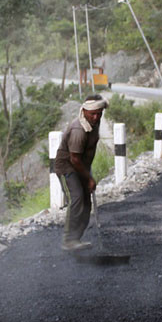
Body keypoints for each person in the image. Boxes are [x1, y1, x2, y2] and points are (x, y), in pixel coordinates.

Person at [53, 95, 108, 251]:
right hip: (67, 167)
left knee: (86, 203)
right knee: (77, 198)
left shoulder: (94, 123)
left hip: (81, 166)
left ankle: (75, 240)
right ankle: (68, 240)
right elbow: (74, 159)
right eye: (93, 114)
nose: (96, 117)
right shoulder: (79, 129)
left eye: (99, 113)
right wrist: (89, 178)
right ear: (84, 111)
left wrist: (87, 173)